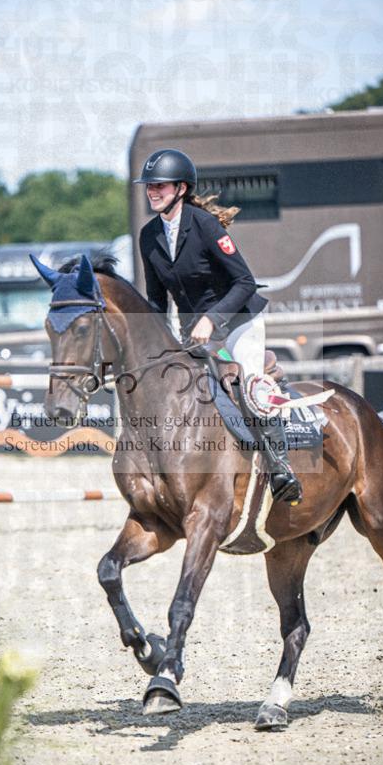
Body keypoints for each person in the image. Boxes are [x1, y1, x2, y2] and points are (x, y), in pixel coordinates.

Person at [136, 147, 302, 506]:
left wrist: (212, 319)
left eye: (159, 186)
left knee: (247, 384)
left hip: (238, 320)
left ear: (181, 188)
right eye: (149, 186)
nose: (152, 191)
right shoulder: (149, 236)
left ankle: (280, 468)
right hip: (192, 330)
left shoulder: (205, 225)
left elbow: (245, 282)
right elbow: (155, 300)